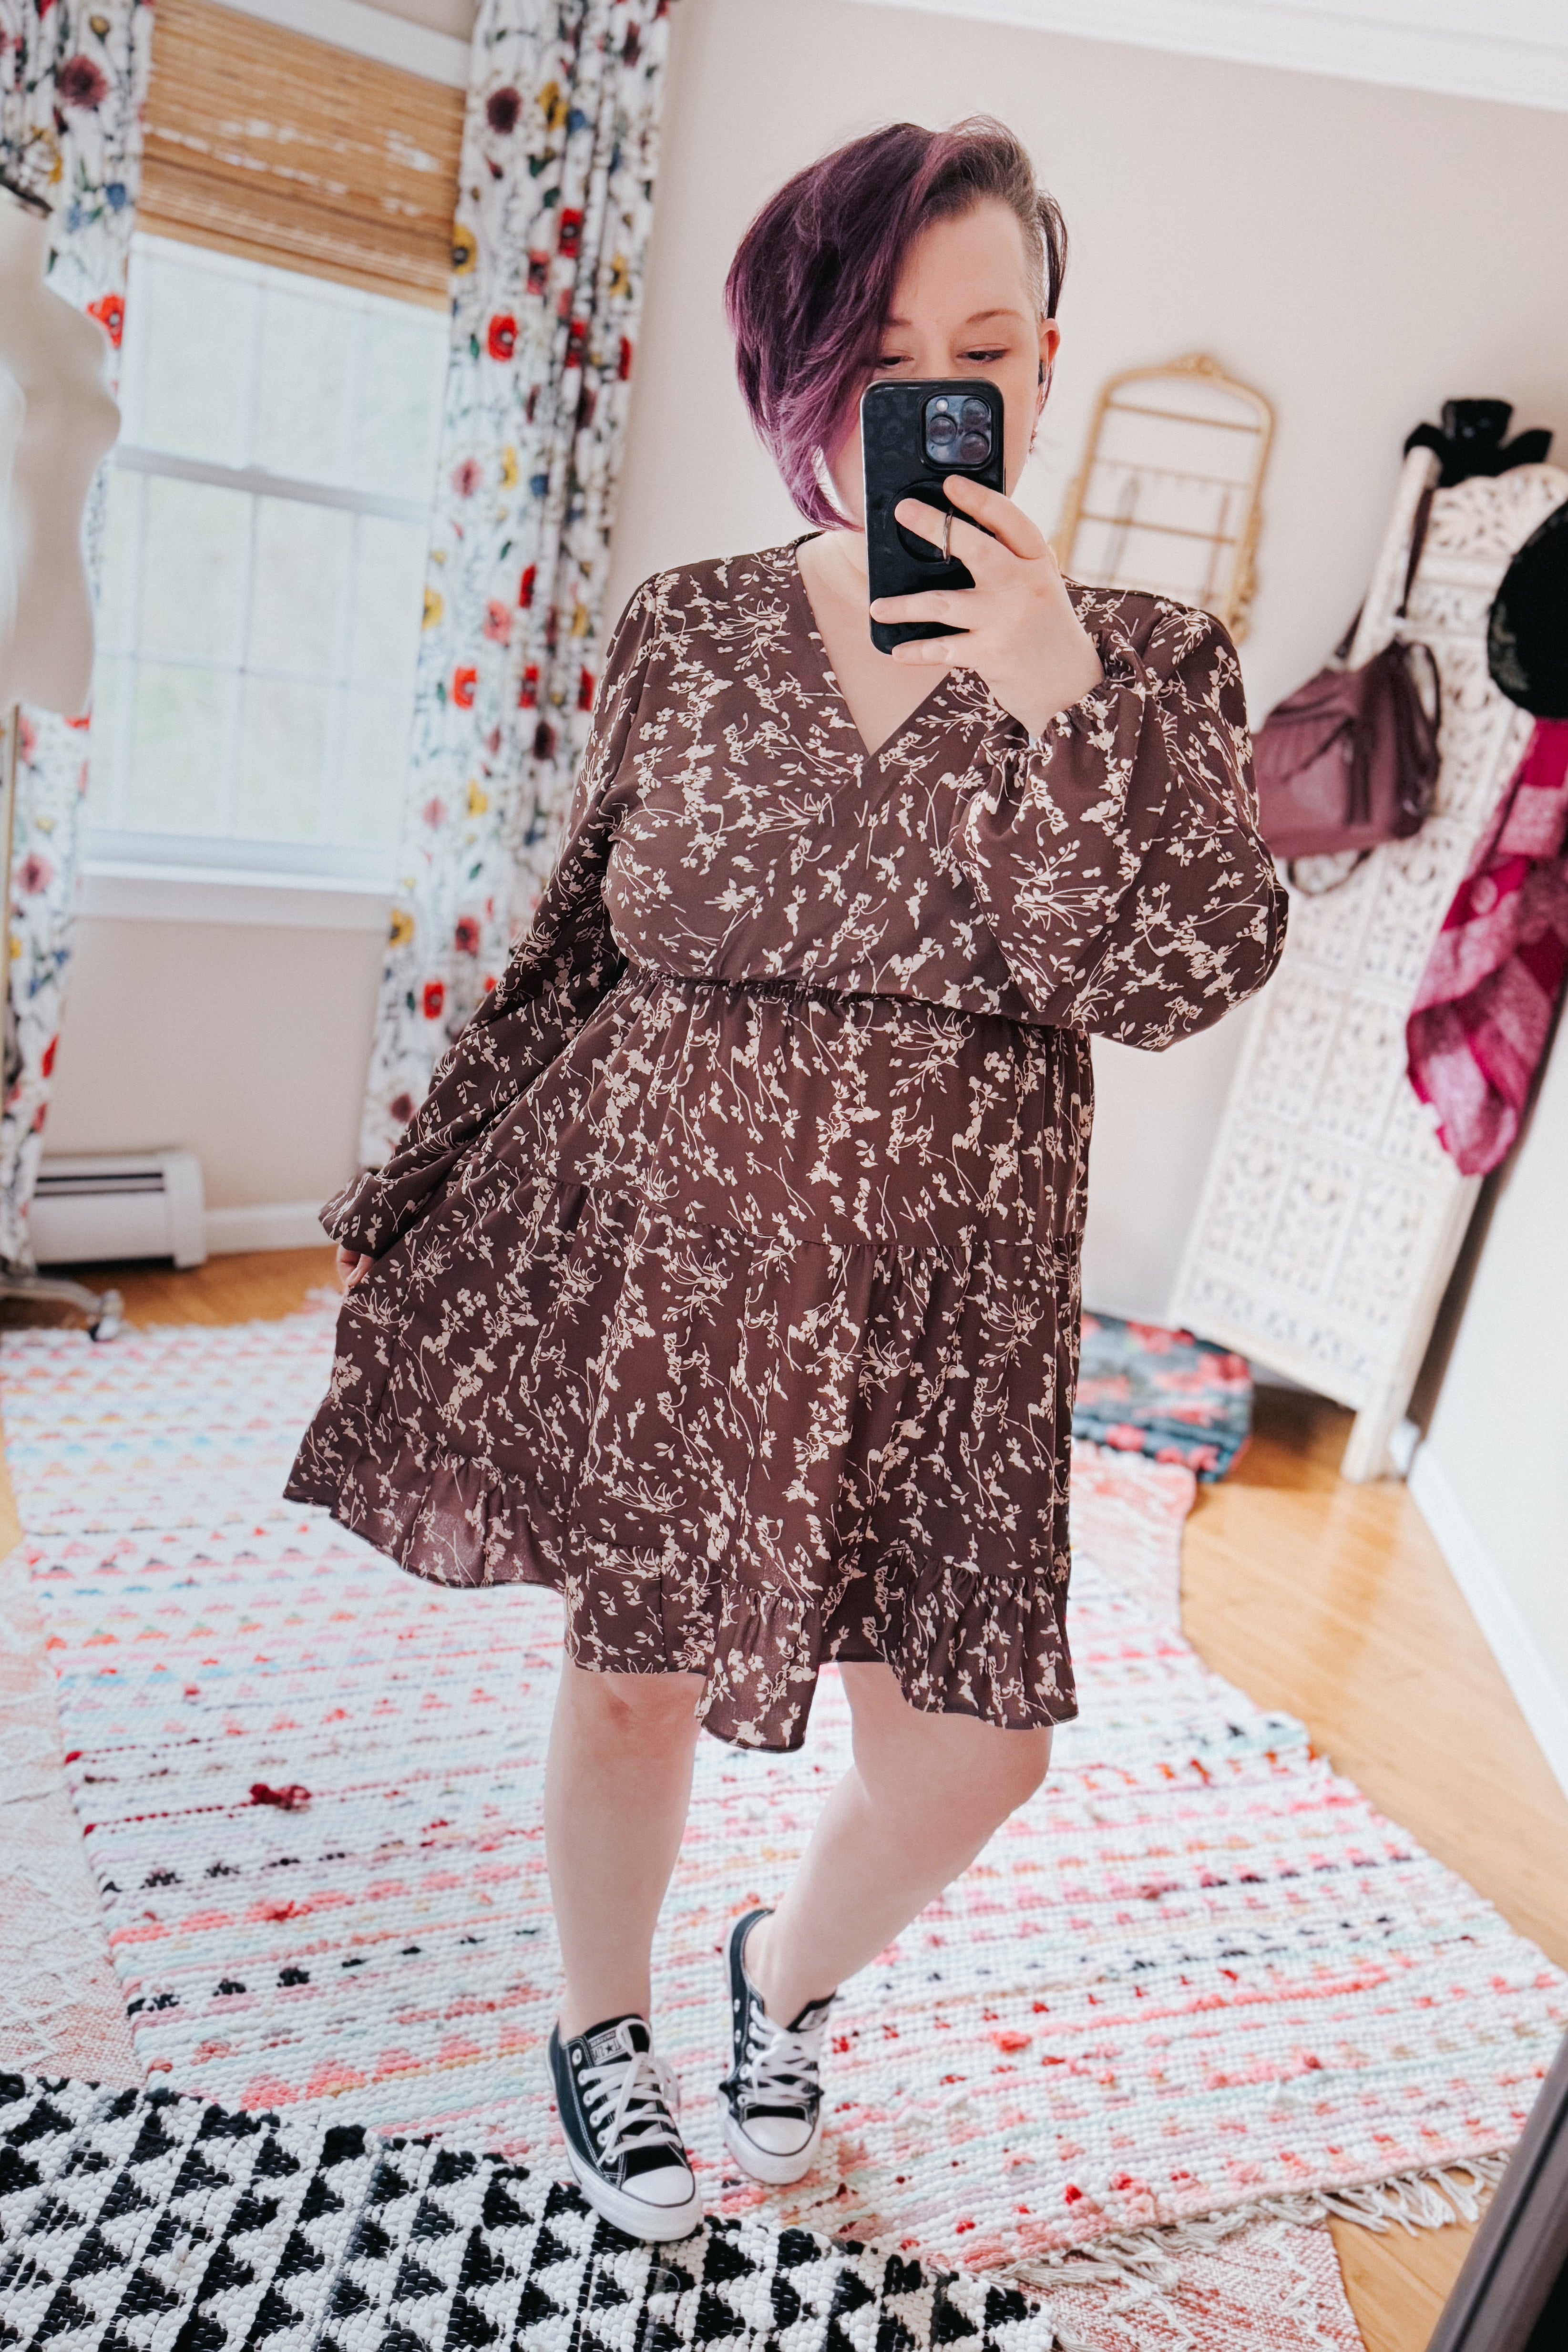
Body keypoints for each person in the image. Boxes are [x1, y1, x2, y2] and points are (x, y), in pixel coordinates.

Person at [287, 117, 1286, 2244]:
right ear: (797, 382)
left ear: (1039, 371)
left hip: (947, 1310)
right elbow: (576, 940)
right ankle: (600, 2016)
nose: (935, 390)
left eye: (987, 347)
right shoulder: (689, 629)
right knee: (628, 1676)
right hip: (682, 1267)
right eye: (878, 348)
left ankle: (778, 1977)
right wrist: (425, 1182)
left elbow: (1177, 973)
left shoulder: (1145, 663)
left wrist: (1053, 702)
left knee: (971, 1754)